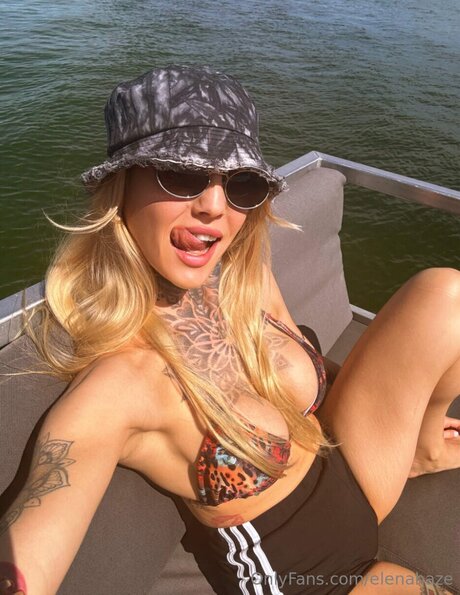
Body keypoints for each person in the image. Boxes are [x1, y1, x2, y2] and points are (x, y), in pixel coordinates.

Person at [0, 64, 459, 595]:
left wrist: (389, 409)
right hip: (317, 581)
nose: (215, 207)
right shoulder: (123, 384)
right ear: (120, 185)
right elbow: (31, 551)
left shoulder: (241, 273)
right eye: (181, 173)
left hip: (351, 475)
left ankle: (423, 449)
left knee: (445, 294)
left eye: (241, 183)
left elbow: (302, 362)